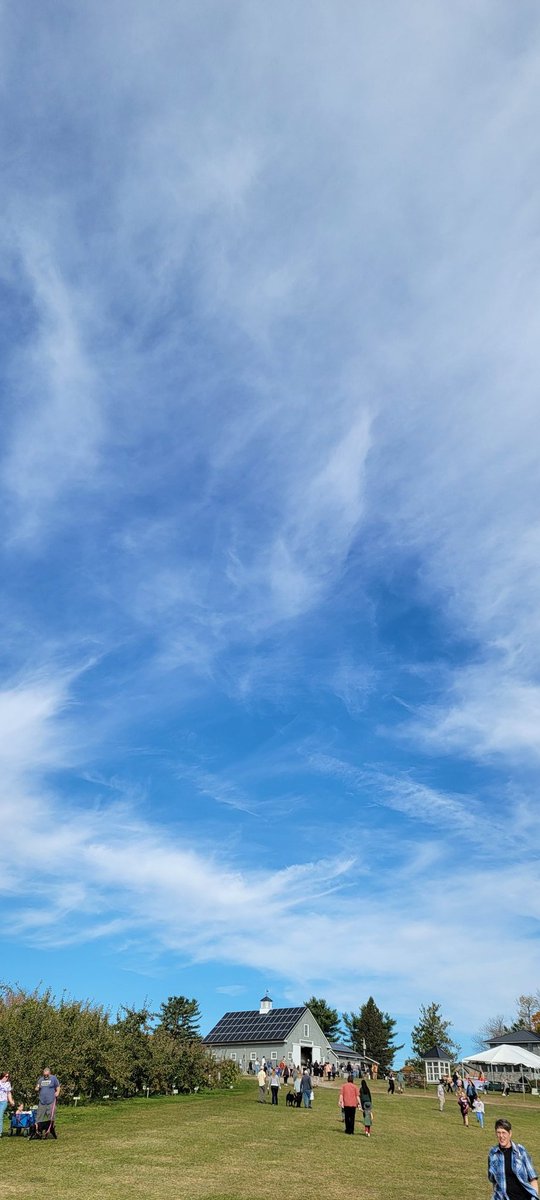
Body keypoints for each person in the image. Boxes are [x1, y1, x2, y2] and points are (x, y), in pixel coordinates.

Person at [488, 1118, 538, 1199]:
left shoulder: (521, 1151)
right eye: (498, 1132)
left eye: (504, 1132)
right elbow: (493, 1181)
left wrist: (534, 1198)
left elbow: (533, 1178)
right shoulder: (493, 1154)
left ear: (510, 1133)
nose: (501, 1136)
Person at [35, 1067, 60, 1139]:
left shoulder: (53, 1078)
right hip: (42, 1102)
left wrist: (57, 1092)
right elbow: (37, 1087)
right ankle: (38, 1132)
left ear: (49, 1073)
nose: (45, 1076)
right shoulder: (40, 1079)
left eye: (47, 1075)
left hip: (51, 1101)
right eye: (44, 1075)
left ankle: (49, 1131)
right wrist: (36, 1088)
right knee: (39, 1117)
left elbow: (58, 1087)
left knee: (51, 1118)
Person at [0, 1072, 14, 1137]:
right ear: (2, 1076)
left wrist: (11, 1101)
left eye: (8, 1076)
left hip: (4, 1102)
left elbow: (9, 1093)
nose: (7, 1078)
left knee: (0, 1116)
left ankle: (0, 1132)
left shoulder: (8, 1084)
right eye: (6, 1076)